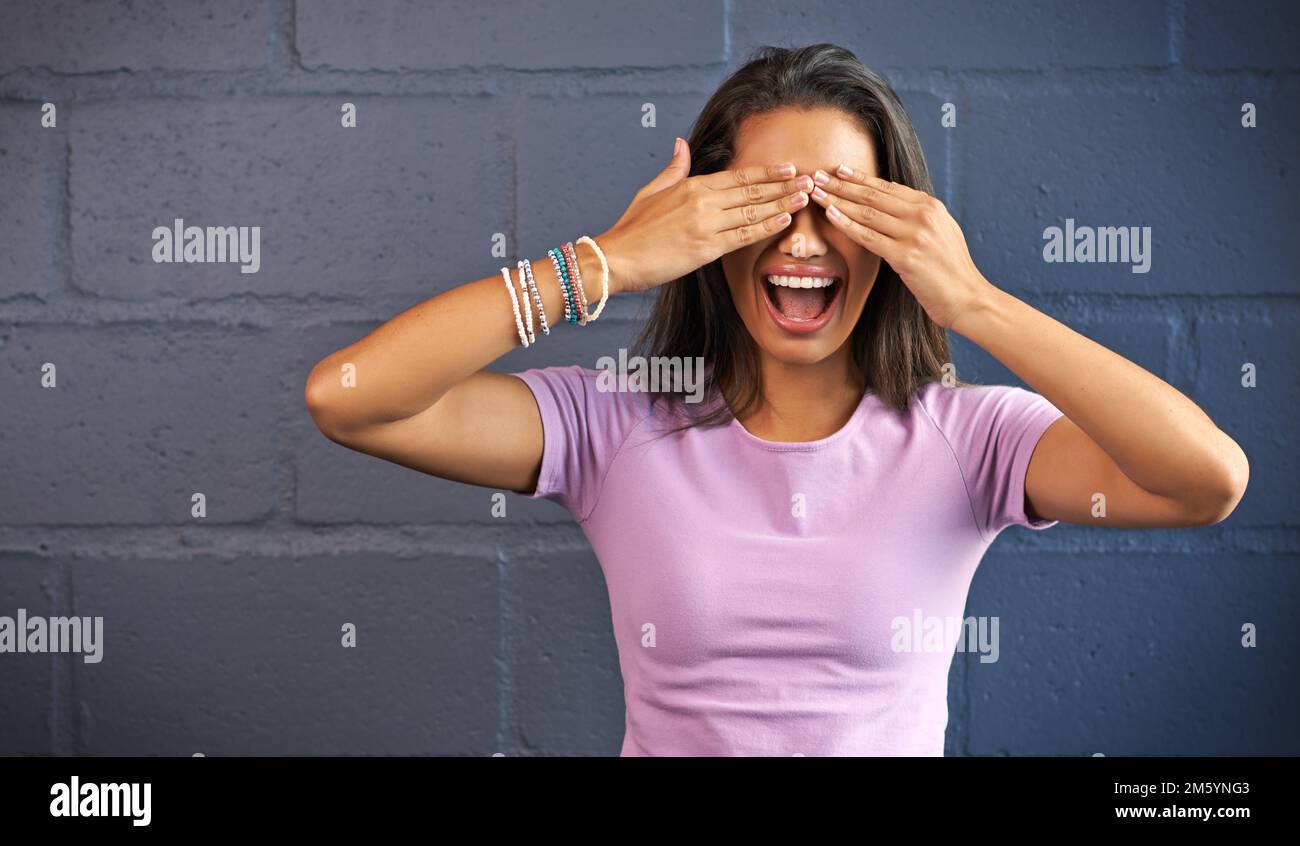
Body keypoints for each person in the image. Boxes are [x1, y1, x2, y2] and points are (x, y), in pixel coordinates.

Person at [304, 44, 1249, 756]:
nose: (803, 242)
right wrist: (607, 261)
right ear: (710, 227)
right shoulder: (618, 420)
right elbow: (349, 399)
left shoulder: (973, 437)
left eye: (842, 206)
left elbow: (1206, 481)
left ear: (897, 230)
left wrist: (973, 302)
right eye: (766, 204)